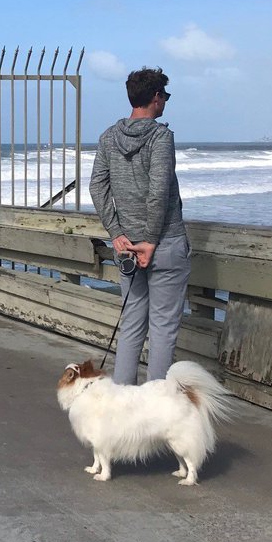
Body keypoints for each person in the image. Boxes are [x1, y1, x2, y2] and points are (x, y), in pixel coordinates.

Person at [89, 67, 189, 385]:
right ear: (156, 97)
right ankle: (156, 413)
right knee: (162, 329)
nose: (165, 103)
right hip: (165, 243)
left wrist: (117, 233)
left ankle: (122, 408)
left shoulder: (108, 138)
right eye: (165, 96)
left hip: (127, 250)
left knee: (131, 324)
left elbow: (97, 187)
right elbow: (158, 190)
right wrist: (150, 240)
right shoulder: (161, 137)